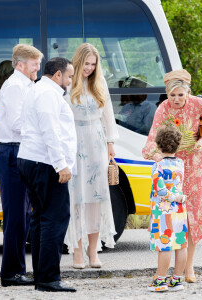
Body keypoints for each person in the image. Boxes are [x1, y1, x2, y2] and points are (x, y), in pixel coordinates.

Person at [142, 69, 202, 283]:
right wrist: (156, 154)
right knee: (171, 213)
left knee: (191, 215)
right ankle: (165, 269)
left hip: (195, 165)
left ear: (188, 91)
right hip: (172, 167)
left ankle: (189, 267)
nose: (176, 99)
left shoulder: (200, 105)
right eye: (172, 95)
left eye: (180, 94)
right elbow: (152, 138)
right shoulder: (162, 109)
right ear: (167, 94)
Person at [17, 57, 77, 292]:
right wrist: (61, 164)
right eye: (70, 76)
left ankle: (43, 276)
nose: (71, 81)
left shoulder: (38, 90)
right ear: (58, 75)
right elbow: (49, 130)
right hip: (45, 162)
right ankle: (50, 278)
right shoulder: (47, 93)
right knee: (55, 218)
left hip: (34, 159)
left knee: (41, 219)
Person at [0, 44, 43, 287]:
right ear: (21, 64)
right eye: (34, 64)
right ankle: (11, 274)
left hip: (16, 150)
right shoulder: (14, 86)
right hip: (11, 151)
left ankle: (16, 271)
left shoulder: (26, 85)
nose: (38, 68)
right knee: (15, 217)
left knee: (22, 214)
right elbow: (17, 124)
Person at [64, 43, 118, 269]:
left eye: (93, 64)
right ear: (78, 62)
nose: (89, 68)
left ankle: (93, 250)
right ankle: (77, 251)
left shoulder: (100, 82)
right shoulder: (68, 83)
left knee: (96, 196)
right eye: (86, 63)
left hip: (96, 139)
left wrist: (111, 143)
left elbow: (108, 115)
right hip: (74, 139)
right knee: (76, 197)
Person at [147, 125, 187, 292]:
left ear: (158, 144)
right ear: (178, 145)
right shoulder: (180, 163)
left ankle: (160, 280)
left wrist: (172, 197)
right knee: (180, 243)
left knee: (165, 245)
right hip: (179, 209)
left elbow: (161, 190)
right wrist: (178, 198)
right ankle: (176, 279)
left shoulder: (158, 166)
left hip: (163, 211)